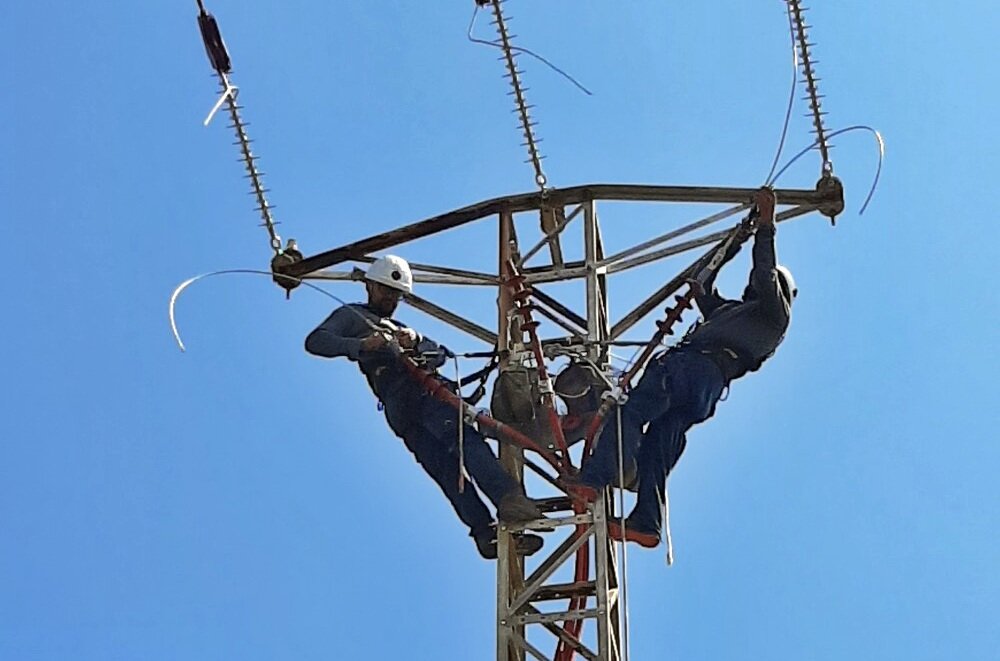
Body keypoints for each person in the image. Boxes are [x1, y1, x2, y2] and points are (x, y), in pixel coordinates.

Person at [573, 188, 797, 547]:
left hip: (692, 370)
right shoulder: (733, 315)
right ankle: (647, 522)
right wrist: (734, 241)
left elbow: (765, 272)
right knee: (659, 446)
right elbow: (700, 282)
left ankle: (593, 480)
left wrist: (766, 227)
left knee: (630, 413)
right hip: (703, 389)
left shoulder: (774, 317)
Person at [305, 255, 546, 559]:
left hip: (414, 401)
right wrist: (361, 346)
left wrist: (415, 339)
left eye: (396, 294)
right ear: (369, 286)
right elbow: (317, 341)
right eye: (385, 291)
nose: (391, 298)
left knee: (450, 465)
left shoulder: (399, 327)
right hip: (410, 401)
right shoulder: (353, 316)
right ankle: (507, 501)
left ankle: (489, 533)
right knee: (459, 447)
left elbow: (442, 355)